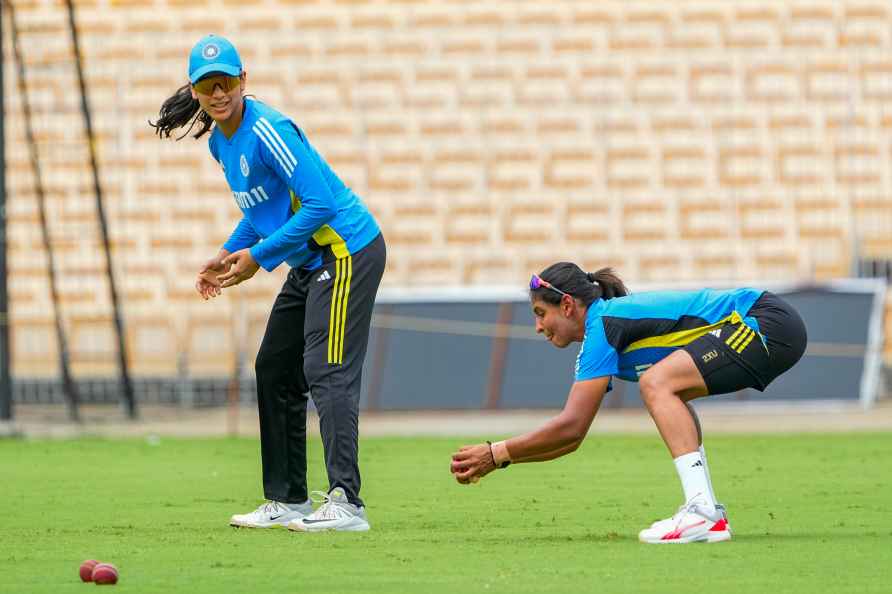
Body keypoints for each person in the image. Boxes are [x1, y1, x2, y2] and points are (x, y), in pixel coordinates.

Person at [150, 34, 385, 532]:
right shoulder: (220, 141)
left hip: (346, 249)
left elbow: (319, 204)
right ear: (195, 91)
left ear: (243, 80)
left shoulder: (268, 129)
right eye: (208, 85)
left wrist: (256, 258)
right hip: (308, 260)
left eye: (227, 82)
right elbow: (262, 211)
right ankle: (288, 499)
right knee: (275, 367)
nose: (219, 93)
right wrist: (225, 253)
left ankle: (347, 504)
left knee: (327, 368)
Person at [450, 263, 807, 544]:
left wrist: (496, 454)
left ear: (568, 305)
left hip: (765, 320)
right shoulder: (602, 331)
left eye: (541, 313)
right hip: (775, 323)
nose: (538, 327)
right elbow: (572, 439)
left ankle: (701, 511)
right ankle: (708, 514)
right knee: (669, 389)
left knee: (658, 383)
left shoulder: (602, 323)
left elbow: (571, 426)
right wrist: (500, 457)